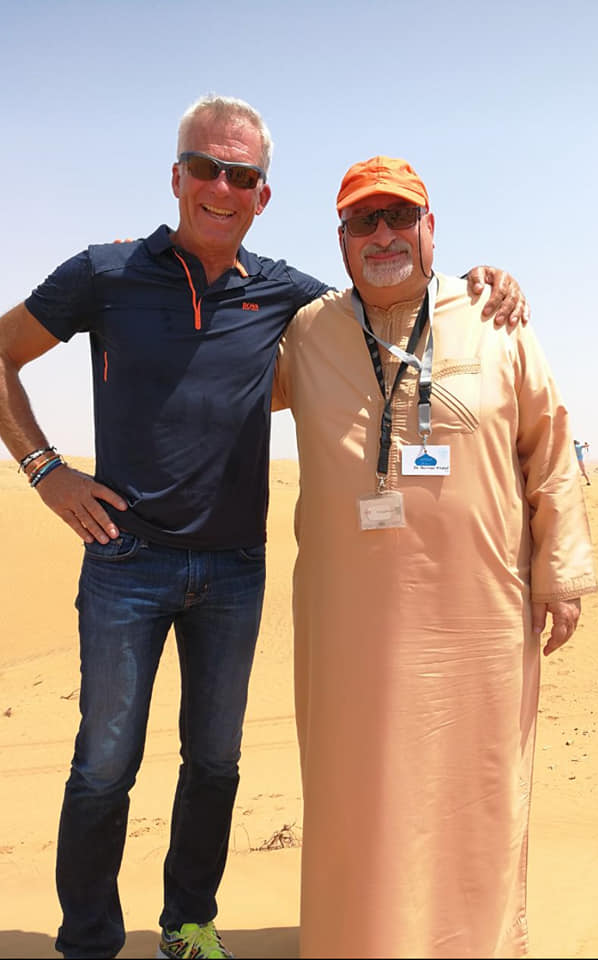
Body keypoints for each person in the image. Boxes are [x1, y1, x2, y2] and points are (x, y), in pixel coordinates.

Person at [0, 97, 528, 960]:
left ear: (262, 195)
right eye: (205, 168)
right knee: (104, 764)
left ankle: (188, 926)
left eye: (241, 175)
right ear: (177, 176)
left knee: (214, 765)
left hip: (235, 570)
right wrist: (45, 471)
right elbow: (3, 353)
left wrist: (483, 283)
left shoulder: (289, 294)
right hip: (124, 559)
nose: (220, 187)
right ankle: (90, 940)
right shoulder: (103, 274)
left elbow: (390, 297)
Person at [272, 156, 598, 958]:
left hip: (478, 620)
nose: (381, 235)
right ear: (341, 240)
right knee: (360, 790)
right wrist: (139, 286)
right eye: (362, 221)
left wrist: (560, 570)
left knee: (475, 791)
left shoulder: (494, 319)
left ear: (429, 227)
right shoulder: (306, 334)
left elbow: (549, 448)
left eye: (397, 217)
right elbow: (206, 374)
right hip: (350, 624)